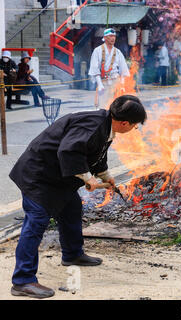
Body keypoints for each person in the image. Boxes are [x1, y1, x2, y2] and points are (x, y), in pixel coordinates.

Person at [9, 95, 147, 299]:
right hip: (38, 175)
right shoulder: (93, 126)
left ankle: (72, 254)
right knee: (36, 221)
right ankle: (22, 280)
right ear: (124, 123)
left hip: (57, 179)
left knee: (71, 208)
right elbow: (68, 152)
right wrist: (87, 177)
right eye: (135, 126)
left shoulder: (105, 125)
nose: (134, 129)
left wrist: (105, 176)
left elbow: (95, 153)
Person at [89, 28, 130, 109]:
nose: (113, 38)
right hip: (103, 82)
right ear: (105, 38)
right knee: (104, 107)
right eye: (110, 36)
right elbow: (94, 68)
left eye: (114, 36)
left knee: (117, 106)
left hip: (115, 81)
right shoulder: (97, 51)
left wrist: (122, 83)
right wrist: (100, 84)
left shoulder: (118, 52)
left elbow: (123, 69)